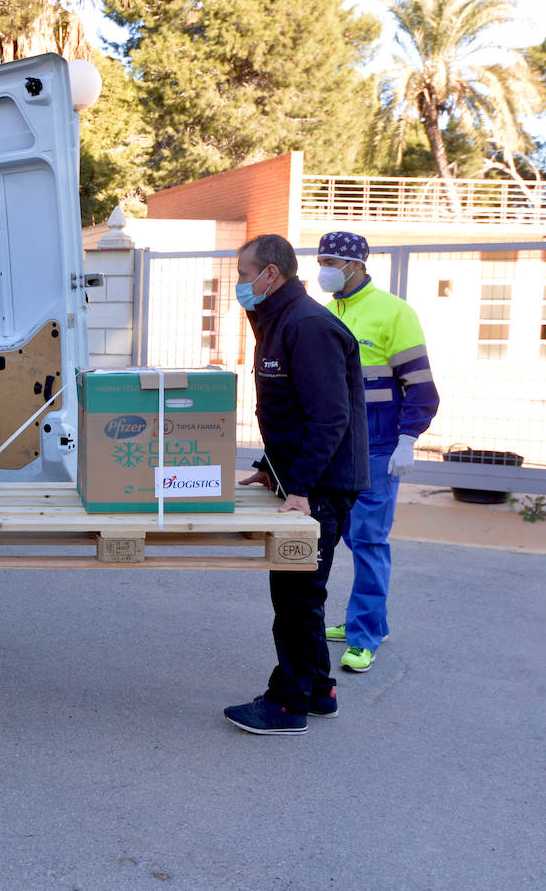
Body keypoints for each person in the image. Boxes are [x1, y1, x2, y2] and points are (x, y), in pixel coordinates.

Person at [224, 234, 369, 735]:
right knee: (301, 591)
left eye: (244, 274)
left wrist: (301, 488)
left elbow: (329, 417)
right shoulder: (279, 319)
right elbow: (287, 412)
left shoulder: (306, 325)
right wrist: (270, 466)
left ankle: (288, 704)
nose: (238, 284)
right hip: (305, 480)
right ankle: (319, 691)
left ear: (270, 274)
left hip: (321, 487)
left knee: (296, 595)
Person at [316, 231, 440, 672]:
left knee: (368, 540)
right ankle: (363, 623)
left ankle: (365, 635)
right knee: (344, 537)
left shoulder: (394, 312)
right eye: (320, 259)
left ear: (356, 265)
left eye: (331, 260)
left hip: (378, 446)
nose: (324, 269)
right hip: (338, 448)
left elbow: (421, 387)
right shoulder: (329, 312)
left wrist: (408, 439)